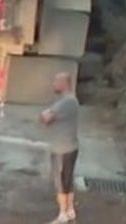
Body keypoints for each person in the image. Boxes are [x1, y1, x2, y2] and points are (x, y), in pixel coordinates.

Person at [39, 71, 80, 223]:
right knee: (67, 180)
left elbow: (46, 118)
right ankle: (69, 211)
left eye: (56, 81)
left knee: (61, 182)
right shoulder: (70, 100)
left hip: (62, 149)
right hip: (69, 147)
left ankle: (63, 214)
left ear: (64, 84)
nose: (54, 84)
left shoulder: (66, 102)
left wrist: (45, 115)